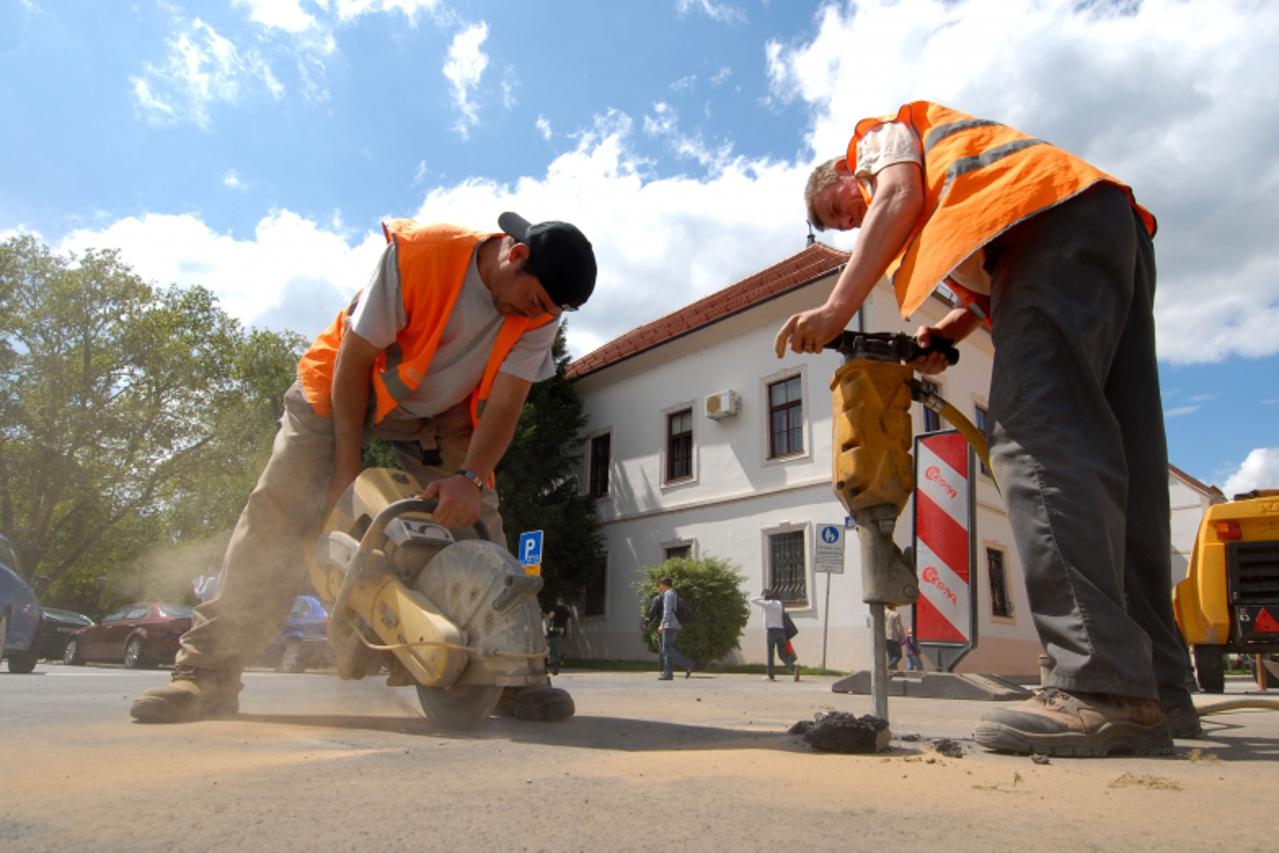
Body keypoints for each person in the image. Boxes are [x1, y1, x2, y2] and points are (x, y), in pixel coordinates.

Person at [780, 101, 1197, 756]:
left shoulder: (880, 141)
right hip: (1099, 226)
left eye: (838, 209)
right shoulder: (962, 201)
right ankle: (1161, 690)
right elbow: (991, 272)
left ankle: (1099, 683)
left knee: (1034, 433)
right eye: (840, 224)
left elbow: (894, 194)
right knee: (1127, 461)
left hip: (1049, 231)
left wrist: (837, 307)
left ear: (840, 169)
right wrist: (947, 333)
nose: (850, 221)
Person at [131, 211, 597, 723]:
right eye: (532, 301)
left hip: (439, 415)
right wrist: (345, 476)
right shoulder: (422, 255)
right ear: (517, 255)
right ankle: (207, 674)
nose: (530, 316)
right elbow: (354, 361)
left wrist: (467, 479)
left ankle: (506, 672)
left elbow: (506, 405)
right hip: (340, 392)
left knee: (479, 523)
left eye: (546, 312)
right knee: (279, 511)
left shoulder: (540, 314)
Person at [751, 588, 798, 681]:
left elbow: (753, 600)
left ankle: (771, 676)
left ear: (766, 596)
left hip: (771, 631)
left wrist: (763, 597)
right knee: (782, 655)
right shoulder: (779, 603)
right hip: (782, 632)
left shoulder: (767, 604)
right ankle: (794, 668)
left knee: (770, 654)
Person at [656, 576, 693, 680]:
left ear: (664, 584)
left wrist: (662, 624)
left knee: (666, 648)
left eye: (660, 585)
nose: (660, 587)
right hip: (676, 624)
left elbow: (667, 611)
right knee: (668, 648)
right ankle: (668, 674)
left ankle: (687, 664)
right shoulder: (674, 593)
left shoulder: (668, 594)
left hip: (669, 624)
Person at [545, 596, 573, 676]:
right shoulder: (566, 611)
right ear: (563, 602)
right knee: (559, 647)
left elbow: (550, 617)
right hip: (562, 630)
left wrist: (547, 617)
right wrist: (569, 633)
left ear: (557, 602)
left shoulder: (555, 608)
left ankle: (555, 664)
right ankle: (561, 658)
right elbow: (569, 623)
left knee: (553, 647)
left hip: (555, 629)